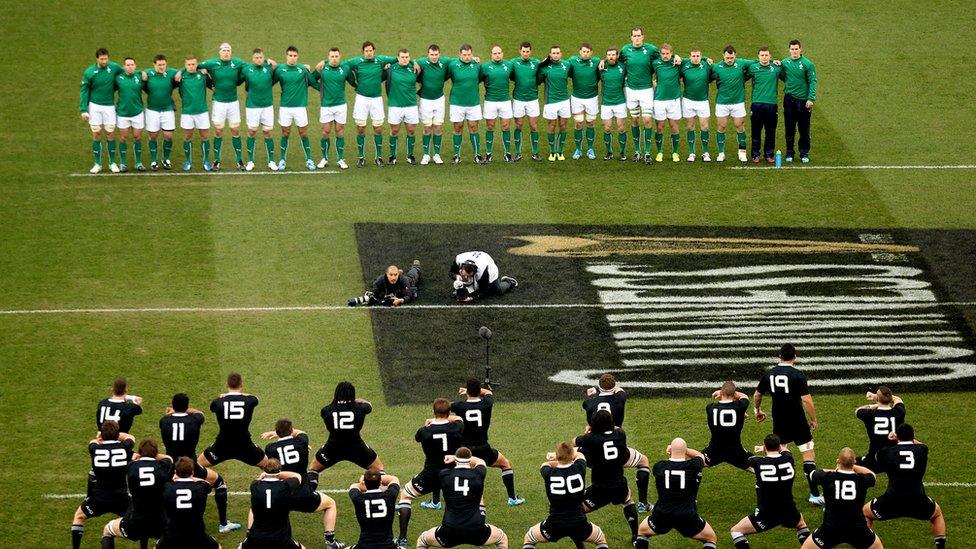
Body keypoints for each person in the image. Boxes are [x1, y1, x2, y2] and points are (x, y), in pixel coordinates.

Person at [198, 372, 269, 532]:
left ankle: (196, 492)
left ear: (227, 384)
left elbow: (213, 406)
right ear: (241, 384)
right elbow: (255, 398)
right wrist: (241, 394)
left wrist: (224, 396)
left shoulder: (218, 402)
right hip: (245, 445)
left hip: (222, 445)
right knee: (269, 467)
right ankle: (273, 498)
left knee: (195, 467)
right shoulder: (250, 400)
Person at [754, 343, 824, 505]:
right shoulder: (798, 375)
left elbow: (757, 394)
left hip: (780, 421)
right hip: (798, 421)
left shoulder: (769, 374)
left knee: (775, 455)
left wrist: (757, 410)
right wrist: (813, 419)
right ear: (795, 357)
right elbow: (806, 400)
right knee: (808, 455)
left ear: (779, 356)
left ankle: (772, 495)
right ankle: (814, 495)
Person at [864, 424, 946, 549]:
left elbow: (877, 456)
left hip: (892, 500)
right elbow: (920, 444)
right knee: (937, 515)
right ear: (913, 437)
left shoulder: (887, 452)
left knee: (865, 513)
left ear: (897, 437)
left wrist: (891, 440)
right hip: (917, 499)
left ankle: (869, 545)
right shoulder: (922, 450)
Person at [397, 398, 465, 547]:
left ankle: (402, 539)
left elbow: (417, 438)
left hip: (431, 474)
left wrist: (429, 422)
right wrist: (448, 417)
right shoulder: (457, 427)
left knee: (405, 496)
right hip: (452, 474)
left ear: (433, 412)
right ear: (449, 412)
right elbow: (459, 419)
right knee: (456, 503)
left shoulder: (424, 431)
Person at [160, 393, 232, 532]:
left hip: (171, 466)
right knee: (220, 483)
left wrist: (172, 412)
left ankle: (165, 523)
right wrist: (187, 410)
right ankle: (223, 524)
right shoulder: (196, 420)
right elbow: (200, 413)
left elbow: (171, 418)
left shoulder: (164, 421)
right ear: (187, 406)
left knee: (164, 491)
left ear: (173, 406)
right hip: (191, 465)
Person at [415, 448, 509, 549]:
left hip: (450, 529)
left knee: (422, 540)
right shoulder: (479, 473)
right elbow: (480, 461)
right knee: (502, 539)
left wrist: (454, 458)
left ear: (456, 461)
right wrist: (456, 457)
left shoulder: (445, 475)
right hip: (476, 528)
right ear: (469, 460)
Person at [240, 458, 344, 549]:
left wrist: (265, 476)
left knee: (241, 546)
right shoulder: (285, 487)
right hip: (280, 538)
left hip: (256, 537)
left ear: (264, 471)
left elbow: (259, 481)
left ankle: (248, 533)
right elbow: (297, 476)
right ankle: (330, 540)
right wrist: (280, 474)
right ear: (279, 471)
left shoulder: (254, 486)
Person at [575, 410, 648, 538]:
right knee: (627, 501)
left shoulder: (590, 439)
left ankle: (582, 536)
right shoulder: (620, 434)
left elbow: (575, 441)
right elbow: (615, 429)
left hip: (600, 489)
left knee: (576, 509)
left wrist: (589, 431)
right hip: (619, 485)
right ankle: (636, 537)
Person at [729, 434, 810, 548]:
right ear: (778, 447)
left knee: (736, 531)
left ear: (766, 447)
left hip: (767, 512)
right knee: (801, 524)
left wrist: (762, 449)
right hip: (788, 508)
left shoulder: (757, 462)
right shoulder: (788, 458)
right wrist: (768, 447)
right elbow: (785, 450)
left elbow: (747, 460)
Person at [523, 442, 609, 549]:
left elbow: (545, 464)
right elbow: (580, 455)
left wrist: (556, 459)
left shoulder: (548, 472)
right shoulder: (580, 467)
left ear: (558, 456)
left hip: (555, 523)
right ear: (571, 455)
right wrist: (568, 457)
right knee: (600, 539)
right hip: (579, 522)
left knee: (529, 538)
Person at [452, 379, 525, 505]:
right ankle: (513, 498)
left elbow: (442, 408)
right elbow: (488, 393)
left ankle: (441, 500)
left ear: (468, 391)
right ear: (479, 391)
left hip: (465, 451)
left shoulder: (459, 406)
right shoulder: (487, 403)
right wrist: (475, 391)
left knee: (447, 470)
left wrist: (454, 418)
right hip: (483, 448)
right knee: (505, 464)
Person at [636, 438, 717, 549]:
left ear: (670, 451)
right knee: (710, 538)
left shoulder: (659, 467)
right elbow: (701, 456)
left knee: (642, 531)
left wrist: (674, 450)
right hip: (687, 515)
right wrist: (685, 450)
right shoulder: (693, 466)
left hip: (662, 514)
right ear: (684, 451)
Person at [70, 421, 135, 549]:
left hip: (99, 497)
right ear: (117, 435)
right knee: (137, 519)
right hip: (121, 497)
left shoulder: (94, 448)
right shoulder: (124, 448)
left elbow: (93, 441)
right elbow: (130, 437)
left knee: (79, 517)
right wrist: (116, 435)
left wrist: (100, 436)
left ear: (102, 435)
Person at [100, 439, 173, 548]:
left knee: (107, 530)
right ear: (156, 453)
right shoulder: (163, 466)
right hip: (159, 521)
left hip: (136, 521)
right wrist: (155, 455)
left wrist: (137, 456)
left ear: (139, 452)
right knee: (170, 535)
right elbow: (169, 458)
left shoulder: (131, 466)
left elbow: (131, 461)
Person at [803, 448, 882, 549]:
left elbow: (813, 474)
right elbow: (872, 475)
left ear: (838, 461)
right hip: (857, 529)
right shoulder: (862, 480)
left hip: (831, 528)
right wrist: (853, 466)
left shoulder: (828, 478)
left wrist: (836, 470)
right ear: (854, 462)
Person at [310, 381, 385, 485]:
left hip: (332, 447)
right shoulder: (360, 408)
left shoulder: (326, 410)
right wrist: (358, 401)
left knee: (313, 469)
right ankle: (379, 494)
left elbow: (326, 413)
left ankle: (308, 495)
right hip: (356, 447)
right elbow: (369, 406)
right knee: (379, 469)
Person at [347, 41, 397, 167]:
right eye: (366, 51)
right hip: (361, 99)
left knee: (378, 128)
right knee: (361, 128)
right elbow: (340, 63)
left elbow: (398, 59)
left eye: (370, 50)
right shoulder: (356, 61)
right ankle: (361, 157)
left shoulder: (380, 60)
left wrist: (414, 63)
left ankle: (378, 157)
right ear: (363, 52)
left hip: (376, 99)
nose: (368, 53)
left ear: (374, 51)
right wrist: (324, 62)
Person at [156, 457, 221, 549]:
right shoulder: (201, 487)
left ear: (175, 472)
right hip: (196, 533)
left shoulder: (167, 488)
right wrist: (192, 478)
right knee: (218, 547)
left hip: (173, 533)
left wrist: (175, 478)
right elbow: (206, 482)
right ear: (193, 472)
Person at [200, 43, 245, 170]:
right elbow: (194, 66)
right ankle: (217, 160)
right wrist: (206, 78)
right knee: (218, 130)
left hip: (233, 103)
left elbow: (249, 68)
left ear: (231, 52)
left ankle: (239, 160)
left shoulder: (237, 62)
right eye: (224, 50)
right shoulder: (212, 63)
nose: (226, 52)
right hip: (219, 103)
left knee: (235, 130)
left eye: (228, 50)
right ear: (219, 53)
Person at [618, 28, 660, 163]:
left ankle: (647, 152)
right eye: (634, 36)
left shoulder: (651, 50)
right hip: (631, 90)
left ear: (643, 37)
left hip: (646, 90)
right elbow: (616, 62)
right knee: (635, 120)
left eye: (639, 36)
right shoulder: (625, 50)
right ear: (631, 37)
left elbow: (664, 58)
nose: (637, 38)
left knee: (647, 120)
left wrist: (677, 57)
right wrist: (602, 62)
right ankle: (637, 151)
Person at [80, 47, 123, 173]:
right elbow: (84, 91)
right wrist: (83, 109)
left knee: (110, 133)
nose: (104, 61)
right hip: (95, 106)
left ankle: (112, 163)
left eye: (106, 59)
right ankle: (97, 164)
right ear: (97, 59)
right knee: (96, 133)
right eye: (102, 59)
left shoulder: (114, 67)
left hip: (109, 106)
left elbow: (126, 73)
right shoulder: (89, 72)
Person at [274, 46, 316, 172]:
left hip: (300, 108)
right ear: (286, 56)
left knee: (303, 133)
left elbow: (313, 82)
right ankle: (282, 159)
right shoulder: (280, 70)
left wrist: (317, 72)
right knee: (285, 133)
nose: (292, 58)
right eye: (290, 55)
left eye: (295, 56)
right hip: (285, 107)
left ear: (297, 57)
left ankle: (309, 159)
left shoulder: (303, 70)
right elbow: (269, 82)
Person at [709, 45, 753, 162]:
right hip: (722, 102)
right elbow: (703, 68)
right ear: (723, 56)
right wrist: (704, 59)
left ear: (735, 56)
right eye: (727, 58)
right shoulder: (716, 67)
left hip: (738, 102)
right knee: (721, 126)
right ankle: (721, 153)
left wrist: (774, 61)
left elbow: (758, 61)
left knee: (740, 125)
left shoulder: (742, 63)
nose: (729, 60)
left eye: (732, 58)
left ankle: (742, 151)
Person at [312, 47, 352, 170]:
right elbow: (311, 79)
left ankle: (340, 159)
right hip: (326, 106)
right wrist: (321, 89)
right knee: (325, 132)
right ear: (328, 57)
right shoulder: (322, 68)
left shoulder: (344, 68)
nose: (334, 59)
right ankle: (324, 158)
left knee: (339, 131)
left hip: (340, 105)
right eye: (332, 57)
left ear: (340, 57)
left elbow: (352, 80)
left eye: (336, 56)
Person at [240, 48, 278, 171]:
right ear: (253, 58)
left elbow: (277, 66)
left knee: (268, 132)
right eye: (256, 58)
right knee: (252, 132)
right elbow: (241, 82)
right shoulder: (247, 69)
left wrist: (269, 61)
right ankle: (250, 161)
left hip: (267, 106)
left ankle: (271, 161)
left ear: (263, 57)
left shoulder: (269, 68)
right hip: (252, 107)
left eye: (261, 57)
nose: (259, 60)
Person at [780, 39, 817, 163]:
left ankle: (804, 153)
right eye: (792, 49)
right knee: (789, 128)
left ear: (800, 49)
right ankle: (789, 152)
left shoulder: (808, 64)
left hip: (803, 101)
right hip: (789, 99)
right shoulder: (785, 63)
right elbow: (782, 75)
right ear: (789, 50)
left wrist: (811, 98)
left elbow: (812, 81)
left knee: (804, 129)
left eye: (796, 49)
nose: (794, 51)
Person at [702, 381, 753, 471]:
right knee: (759, 468)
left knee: (695, 464)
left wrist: (722, 392)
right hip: (736, 450)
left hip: (714, 449)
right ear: (734, 393)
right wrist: (733, 393)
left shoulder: (710, 407)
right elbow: (744, 397)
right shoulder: (740, 407)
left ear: (721, 392)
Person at [447, 45, 485, 164]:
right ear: (460, 55)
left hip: (473, 103)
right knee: (458, 127)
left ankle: (477, 155)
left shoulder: (477, 65)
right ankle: (456, 155)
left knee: (474, 127)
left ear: (472, 54)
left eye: (469, 55)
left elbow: (480, 79)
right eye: (464, 55)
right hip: (457, 103)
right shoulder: (453, 65)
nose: (467, 57)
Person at [745, 46, 784, 163]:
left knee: (770, 131)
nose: (764, 57)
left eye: (766, 55)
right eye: (762, 55)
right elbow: (742, 76)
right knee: (756, 131)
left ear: (770, 56)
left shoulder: (776, 68)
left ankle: (769, 154)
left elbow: (787, 76)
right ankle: (755, 154)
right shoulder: (753, 68)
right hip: (756, 104)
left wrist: (776, 62)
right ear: (758, 57)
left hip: (771, 104)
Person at [141, 54, 179, 170]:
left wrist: (180, 73)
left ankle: (166, 159)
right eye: (159, 65)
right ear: (154, 65)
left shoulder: (171, 73)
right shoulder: (148, 73)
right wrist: (141, 73)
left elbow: (185, 69)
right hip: (152, 110)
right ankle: (153, 160)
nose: (161, 67)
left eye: (163, 65)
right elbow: (135, 72)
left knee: (168, 135)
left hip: (167, 109)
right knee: (153, 135)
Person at [176, 55, 213, 171]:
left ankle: (206, 161)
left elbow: (212, 84)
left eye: (193, 64)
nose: (191, 67)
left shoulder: (202, 75)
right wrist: (180, 71)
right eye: (188, 65)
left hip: (202, 111)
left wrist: (207, 73)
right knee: (187, 136)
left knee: (205, 136)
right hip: (187, 112)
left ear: (196, 65)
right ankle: (188, 161)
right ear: (185, 65)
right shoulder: (181, 77)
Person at [855, 387, 905, 472]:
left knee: (849, 462)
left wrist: (876, 402)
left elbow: (858, 410)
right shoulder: (899, 412)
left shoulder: (870, 415)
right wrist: (880, 398)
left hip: (874, 459)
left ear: (877, 398)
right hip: (895, 458)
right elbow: (898, 399)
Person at [416, 45, 451, 165]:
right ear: (428, 54)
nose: (434, 57)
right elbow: (410, 61)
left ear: (439, 54)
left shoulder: (445, 62)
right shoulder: (421, 62)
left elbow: (459, 60)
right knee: (427, 127)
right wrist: (413, 63)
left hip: (439, 100)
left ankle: (436, 154)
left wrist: (474, 59)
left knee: (437, 127)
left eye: (436, 55)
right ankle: (426, 154)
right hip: (425, 100)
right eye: (432, 55)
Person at [386, 48, 421, 165]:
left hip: (411, 105)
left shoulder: (415, 69)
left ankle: (410, 155)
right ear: (398, 58)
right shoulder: (391, 68)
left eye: (407, 57)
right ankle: (392, 156)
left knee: (411, 131)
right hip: (395, 105)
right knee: (394, 131)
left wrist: (414, 62)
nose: (404, 59)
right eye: (402, 57)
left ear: (409, 58)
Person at [480, 45, 514, 162]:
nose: (497, 55)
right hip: (490, 101)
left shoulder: (509, 65)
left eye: (499, 53)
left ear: (502, 54)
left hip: (505, 101)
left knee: (506, 126)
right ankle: (489, 153)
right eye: (495, 53)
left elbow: (515, 77)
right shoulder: (485, 67)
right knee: (490, 127)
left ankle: (507, 153)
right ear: (491, 55)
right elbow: (477, 79)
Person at [352, 470, 402, 549]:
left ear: (364, 483)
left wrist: (364, 481)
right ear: (380, 482)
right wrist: (377, 478)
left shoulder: (358, 498)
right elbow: (394, 479)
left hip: (364, 546)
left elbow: (354, 486)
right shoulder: (390, 495)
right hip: (388, 546)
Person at [537, 45, 571, 161]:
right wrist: (540, 65)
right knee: (552, 126)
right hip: (550, 101)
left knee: (563, 126)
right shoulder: (545, 67)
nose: (555, 55)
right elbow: (537, 81)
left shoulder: (566, 65)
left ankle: (560, 151)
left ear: (561, 54)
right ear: (550, 54)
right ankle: (552, 151)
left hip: (564, 101)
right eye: (553, 53)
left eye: (557, 53)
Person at [509, 42, 542, 161]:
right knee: (518, 125)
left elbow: (545, 71)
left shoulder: (536, 63)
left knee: (533, 126)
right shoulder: (514, 63)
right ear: (520, 51)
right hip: (518, 99)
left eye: (528, 51)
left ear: (531, 52)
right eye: (523, 51)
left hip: (533, 99)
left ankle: (535, 152)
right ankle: (518, 152)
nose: (525, 54)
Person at [567, 43, 599, 160]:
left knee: (590, 122)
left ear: (591, 52)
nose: (585, 54)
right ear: (580, 51)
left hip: (592, 97)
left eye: (588, 52)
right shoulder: (572, 61)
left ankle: (590, 148)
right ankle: (578, 149)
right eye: (583, 51)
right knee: (579, 122)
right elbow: (564, 69)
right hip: (577, 97)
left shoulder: (596, 62)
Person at [651, 44, 683, 163]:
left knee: (674, 126)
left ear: (671, 53)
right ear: (660, 54)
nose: (665, 56)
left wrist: (705, 59)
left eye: (667, 54)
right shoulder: (655, 63)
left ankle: (675, 152)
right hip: (659, 100)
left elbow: (694, 59)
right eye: (663, 54)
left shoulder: (677, 62)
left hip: (673, 100)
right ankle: (660, 152)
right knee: (660, 126)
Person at [115, 57, 147, 172]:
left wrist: (142, 72)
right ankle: (123, 163)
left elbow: (150, 74)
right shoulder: (118, 78)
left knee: (137, 137)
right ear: (124, 66)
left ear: (135, 65)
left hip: (137, 112)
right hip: (123, 113)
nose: (130, 66)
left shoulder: (140, 76)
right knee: (123, 137)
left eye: (132, 64)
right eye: (127, 65)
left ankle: (138, 162)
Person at [680, 48, 712, 162]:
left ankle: (705, 152)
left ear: (701, 56)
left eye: (698, 56)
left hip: (703, 101)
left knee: (705, 126)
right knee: (690, 126)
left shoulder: (706, 65)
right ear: (690, 57)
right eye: (693, 56)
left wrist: (705, 58)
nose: (696, 58)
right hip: (688, 100)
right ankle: (692, 152)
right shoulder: (684, 65)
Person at [449, 251, 517, 302]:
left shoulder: (483, 272)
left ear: (475, 272)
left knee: (497, 290)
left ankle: (509, 282)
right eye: (464, 274)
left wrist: (471, 297)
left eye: (468, 276)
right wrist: (457, 276)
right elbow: (450, 272)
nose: (465, 277)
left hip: (489, 266)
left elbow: (484, 289)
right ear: (461, 268)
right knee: (467, 283)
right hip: (478, 259)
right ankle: (467, 286)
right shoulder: (459, 259)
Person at [598, 48, 628, 161]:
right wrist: (602, 60)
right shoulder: (601, 67)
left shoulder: (623, 66)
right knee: (607, 128)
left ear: (617, 55)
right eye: (609, 55)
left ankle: (622, 152)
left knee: (621, 128)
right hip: (606, 103)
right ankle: (609, 152)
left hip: (620, 102)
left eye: (613, 55)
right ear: (606, 56)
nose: (611, 57)